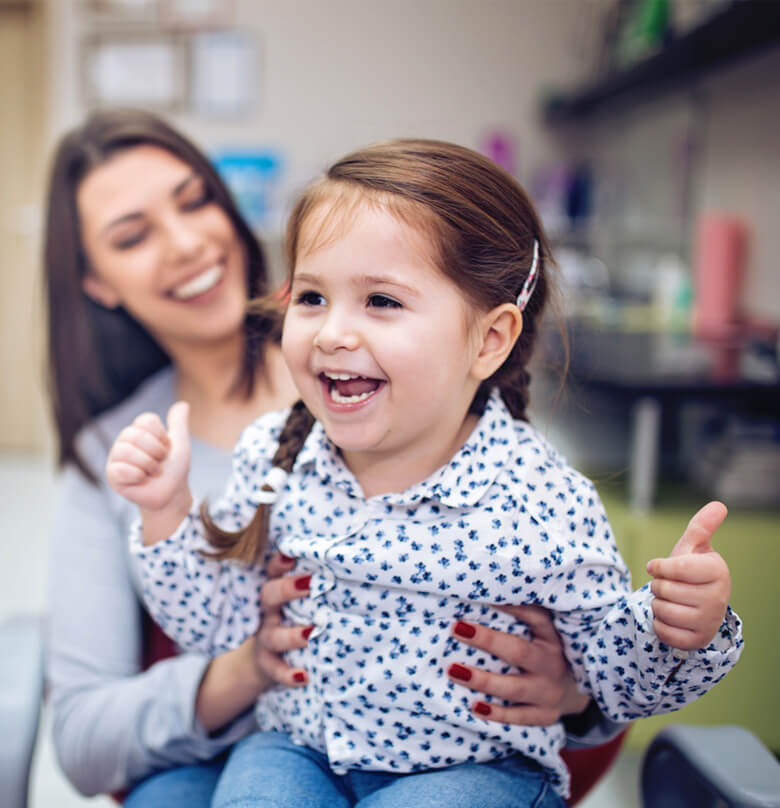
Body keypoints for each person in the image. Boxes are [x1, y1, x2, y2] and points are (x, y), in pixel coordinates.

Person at [107, 138, 743, 807]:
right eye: (313, 297)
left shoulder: (540, 499)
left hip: (476, 773)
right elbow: (213, 625)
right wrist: (165, 511)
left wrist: (681, 628)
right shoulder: (276, 455)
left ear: (489, 339)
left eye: (381, 301)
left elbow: (619, 681)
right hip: (297, 749)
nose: (330, 334)